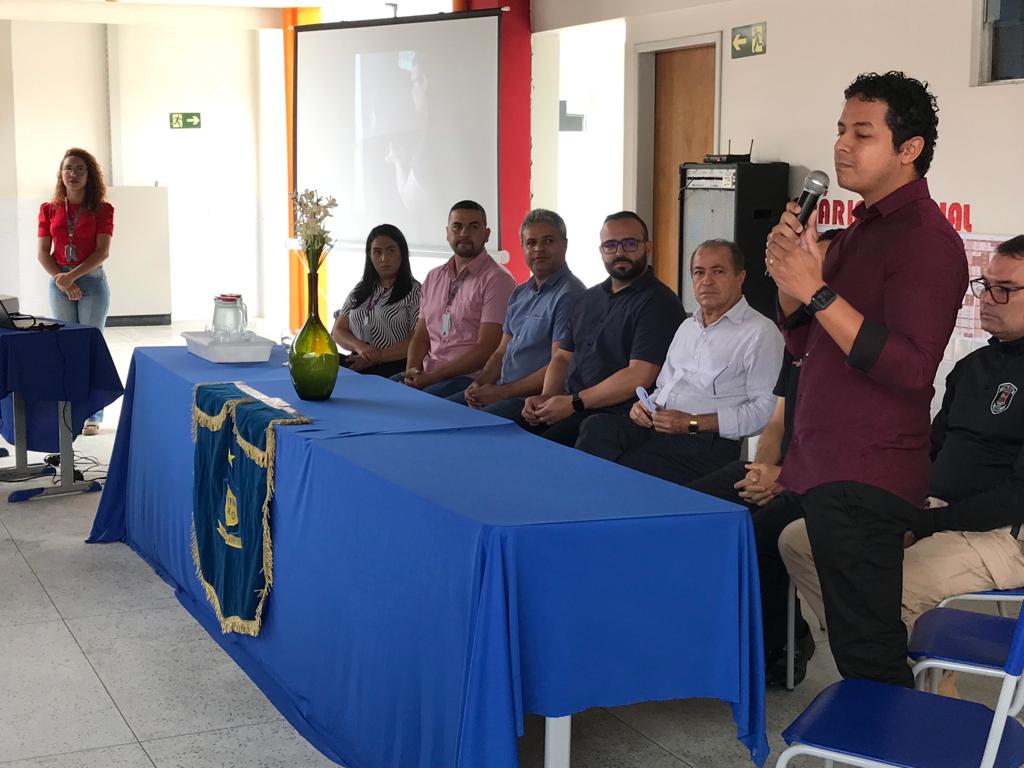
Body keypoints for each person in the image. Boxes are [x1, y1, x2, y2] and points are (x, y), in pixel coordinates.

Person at [761, 71, 968, 687]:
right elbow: (806, 344)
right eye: (840, 130)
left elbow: (911, 369)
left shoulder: (927, 240)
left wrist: (816, 290)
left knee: (869, 649)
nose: (842, 145)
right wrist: (790, 280)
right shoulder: (856, 232)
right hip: (824, 461)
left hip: (866, 468)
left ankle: (900, 733)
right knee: (858, 646)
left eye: (862, 133)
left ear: (909, 149)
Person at [779, 234, 1024, 639]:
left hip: (1004, 535)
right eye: (985, 285)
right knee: (799, 540)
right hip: (936, 512)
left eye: (1005, 289)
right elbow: (931, 448)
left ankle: (897, 668)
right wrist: (899, 508)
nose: (987, 298)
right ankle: (871, 655)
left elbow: (1016, 498)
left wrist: (924, 524)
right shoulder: (973, 366)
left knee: (883, 589)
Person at [576, 239, 783, 485]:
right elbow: (664, 386)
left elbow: (766, 411)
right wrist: (644, 406)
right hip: (659, 426)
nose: (707, 281)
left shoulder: (760, 332)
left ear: (740, 278)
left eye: (718, 271)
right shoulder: (688, 326)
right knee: (596, 428)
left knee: (629, 469)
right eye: (699, 272)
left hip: (706, 440)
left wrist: (692, 423)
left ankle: (600, 497)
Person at [521, 211, 685, 446]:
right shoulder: (588, 298)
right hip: (570, 405)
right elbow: (563, 357)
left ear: (647, 247)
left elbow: (638, 375)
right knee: (504, 425)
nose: (619, 252)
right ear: (601, 250)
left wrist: (574, 403)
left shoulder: (659, 302)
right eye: (610, 245)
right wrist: (547, 397)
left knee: (536, 451)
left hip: (615, 416)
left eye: (630, 243)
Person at [449, 209, 585, 421]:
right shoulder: (520, 292)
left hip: (530, 402)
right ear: (522, 247)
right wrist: (480, 383)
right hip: (501, 390)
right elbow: (501, 351)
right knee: (438, 412)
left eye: (548, 241)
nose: (539, 249)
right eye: (531, 243)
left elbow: (559, 364)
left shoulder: (570, 295)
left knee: (462, 427)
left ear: (564, 244)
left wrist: (501, 392)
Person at [399, 200, 516, 397]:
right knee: (382, 393)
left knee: (415, 405)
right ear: (447, 233)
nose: (464, 233)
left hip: (467, 378)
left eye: (473, 227)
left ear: (487, 234)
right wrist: (412, 371)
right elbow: (421, 336)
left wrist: (433, 377)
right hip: (428, 372)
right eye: (457, 226)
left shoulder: (498, 280)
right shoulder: (433, 277)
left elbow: (486, 348)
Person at [37, 147, 114, 436]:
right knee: (66, 348)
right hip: (59, 282)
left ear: (90, 175)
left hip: (91, 282)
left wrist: (72, 278)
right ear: (61, 173)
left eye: (81, 169)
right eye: (68, 168)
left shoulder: (102, 209)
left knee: (89, 347)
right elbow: (43, 253)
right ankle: (70, 411)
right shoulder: (49, 209)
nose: (73, 173)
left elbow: (102, 252)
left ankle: (93, 413)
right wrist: (63, 280)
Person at [331, 224, 421, 379]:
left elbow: (417, 340)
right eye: (377, 252)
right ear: (370, 256)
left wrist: (377, 356)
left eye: (391, 251)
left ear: (402, 253)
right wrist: (361, 348)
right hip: (357, 360)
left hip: (393, 366)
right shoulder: (361, 289)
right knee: (319, 361)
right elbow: (338, 331)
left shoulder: (415, 291)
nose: (384, 258)